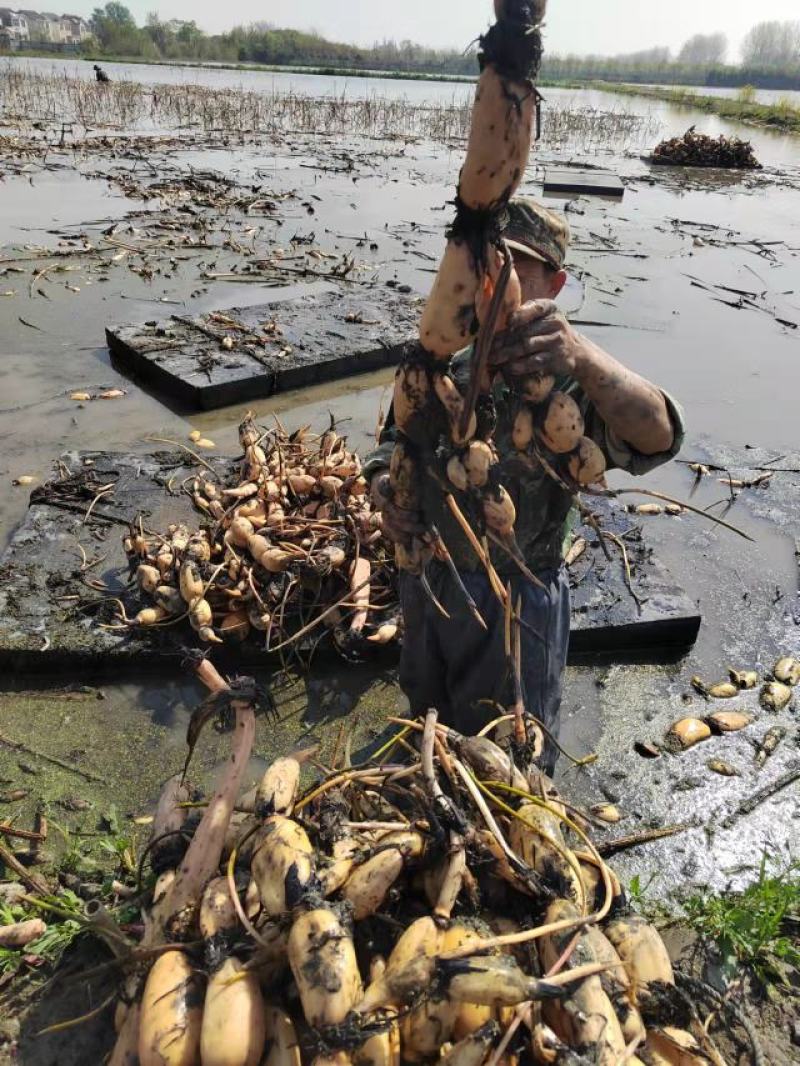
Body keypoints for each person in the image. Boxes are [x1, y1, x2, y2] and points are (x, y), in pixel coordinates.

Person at [365, 199, 685, 771]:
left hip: (518, 599)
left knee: (512, 758)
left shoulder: (569, 379)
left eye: (517, 264)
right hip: (430, 583)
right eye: (488, 261)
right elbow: (391, 445)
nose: (496, 278)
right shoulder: (443, 366)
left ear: (556, 283)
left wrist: (583, 355)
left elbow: (657, 437)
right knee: (429, 728)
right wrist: (385, 492)